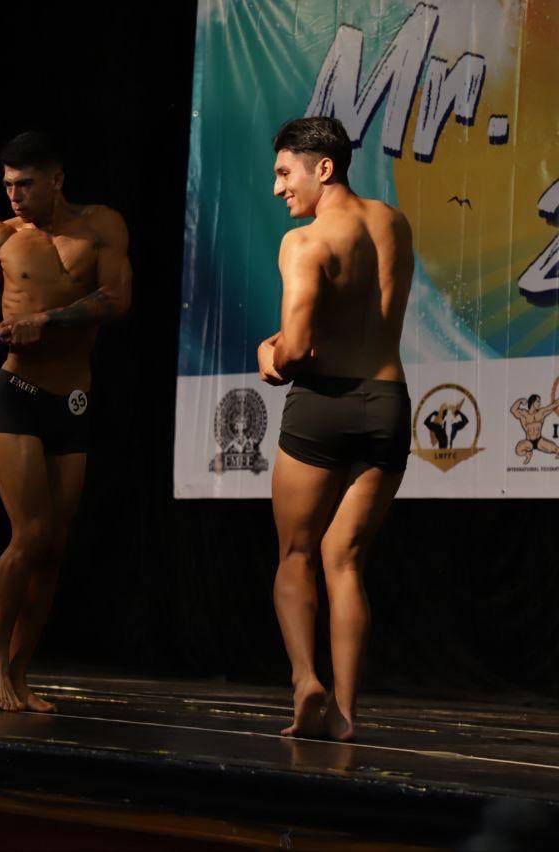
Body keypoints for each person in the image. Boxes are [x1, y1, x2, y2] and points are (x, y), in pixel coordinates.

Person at [258, 116, 414, 741]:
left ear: (323, 167)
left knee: (296, 554)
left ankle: (305, 681)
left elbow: (296, 352)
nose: (278, 189)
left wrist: (269, 355)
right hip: (387, 403)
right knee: (344, 559)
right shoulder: (393, 222)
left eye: (284, 173)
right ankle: (346, 715)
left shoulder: (304, 243)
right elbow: (363, 310)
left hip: (324, 404)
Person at [0, 132, 131, 711]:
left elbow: (117, 298)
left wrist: (49, 320)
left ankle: (17, 672)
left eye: (26, 184)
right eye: (8, 184)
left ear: (57, 180)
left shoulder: (101, 225)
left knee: (54, 545)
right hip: (16, 392)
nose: (14, 195)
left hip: (74, 399)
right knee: (30, 532)